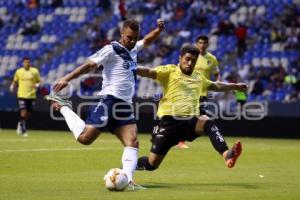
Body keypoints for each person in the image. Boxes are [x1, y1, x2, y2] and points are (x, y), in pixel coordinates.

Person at [45, 19, 165, 190]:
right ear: (122, 34)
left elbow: (146, 41)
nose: (132, 41)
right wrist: (66, 78)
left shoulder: (133, 49)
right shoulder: (111, 49)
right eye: (129, 38)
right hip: (109, 100)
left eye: (134, 38)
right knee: (85, 139)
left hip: (124, 104)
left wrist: (158, 30)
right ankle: (63, 106)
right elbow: (89, 65)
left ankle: (128, 181)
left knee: (133, 142)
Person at [135, 45, 246, 172]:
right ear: (180, 58)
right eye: (187, 59)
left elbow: (216, 85)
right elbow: (149, 72)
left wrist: (235, 86)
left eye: (193, 60)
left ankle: (227, 154)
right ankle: (128, 168)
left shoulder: (198, 77)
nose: (190, 63)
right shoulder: (170, 70)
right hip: (168, 122)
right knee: (152, 164)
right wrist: (132, 67)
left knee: (207, 122)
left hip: (189, 121)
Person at [177, 35, 221, 149]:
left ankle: (184, 138)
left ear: (207, 44)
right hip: (189, 91)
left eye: (204, 43)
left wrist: (217, 83)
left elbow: (217, 74)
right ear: (197, 44)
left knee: (202, 117)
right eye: (200, 43)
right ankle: (180, 141)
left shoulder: (212, 59)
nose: (202, 45)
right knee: (187, 115)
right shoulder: (191, 57)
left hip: (203, 93)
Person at [10, 57, 41, 136]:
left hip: (31, 95)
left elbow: (39, 81)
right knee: (23, 112)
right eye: (25, 62)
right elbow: (15, 81)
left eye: (28, 62)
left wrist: (38, 84)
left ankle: (20, 124)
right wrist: (12, 86)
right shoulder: (18, 71)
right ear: (23, 63)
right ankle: (24, 131)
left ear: (30, 63)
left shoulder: (35, 71)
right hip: (22, 95)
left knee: (28, 113)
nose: (27, 64)